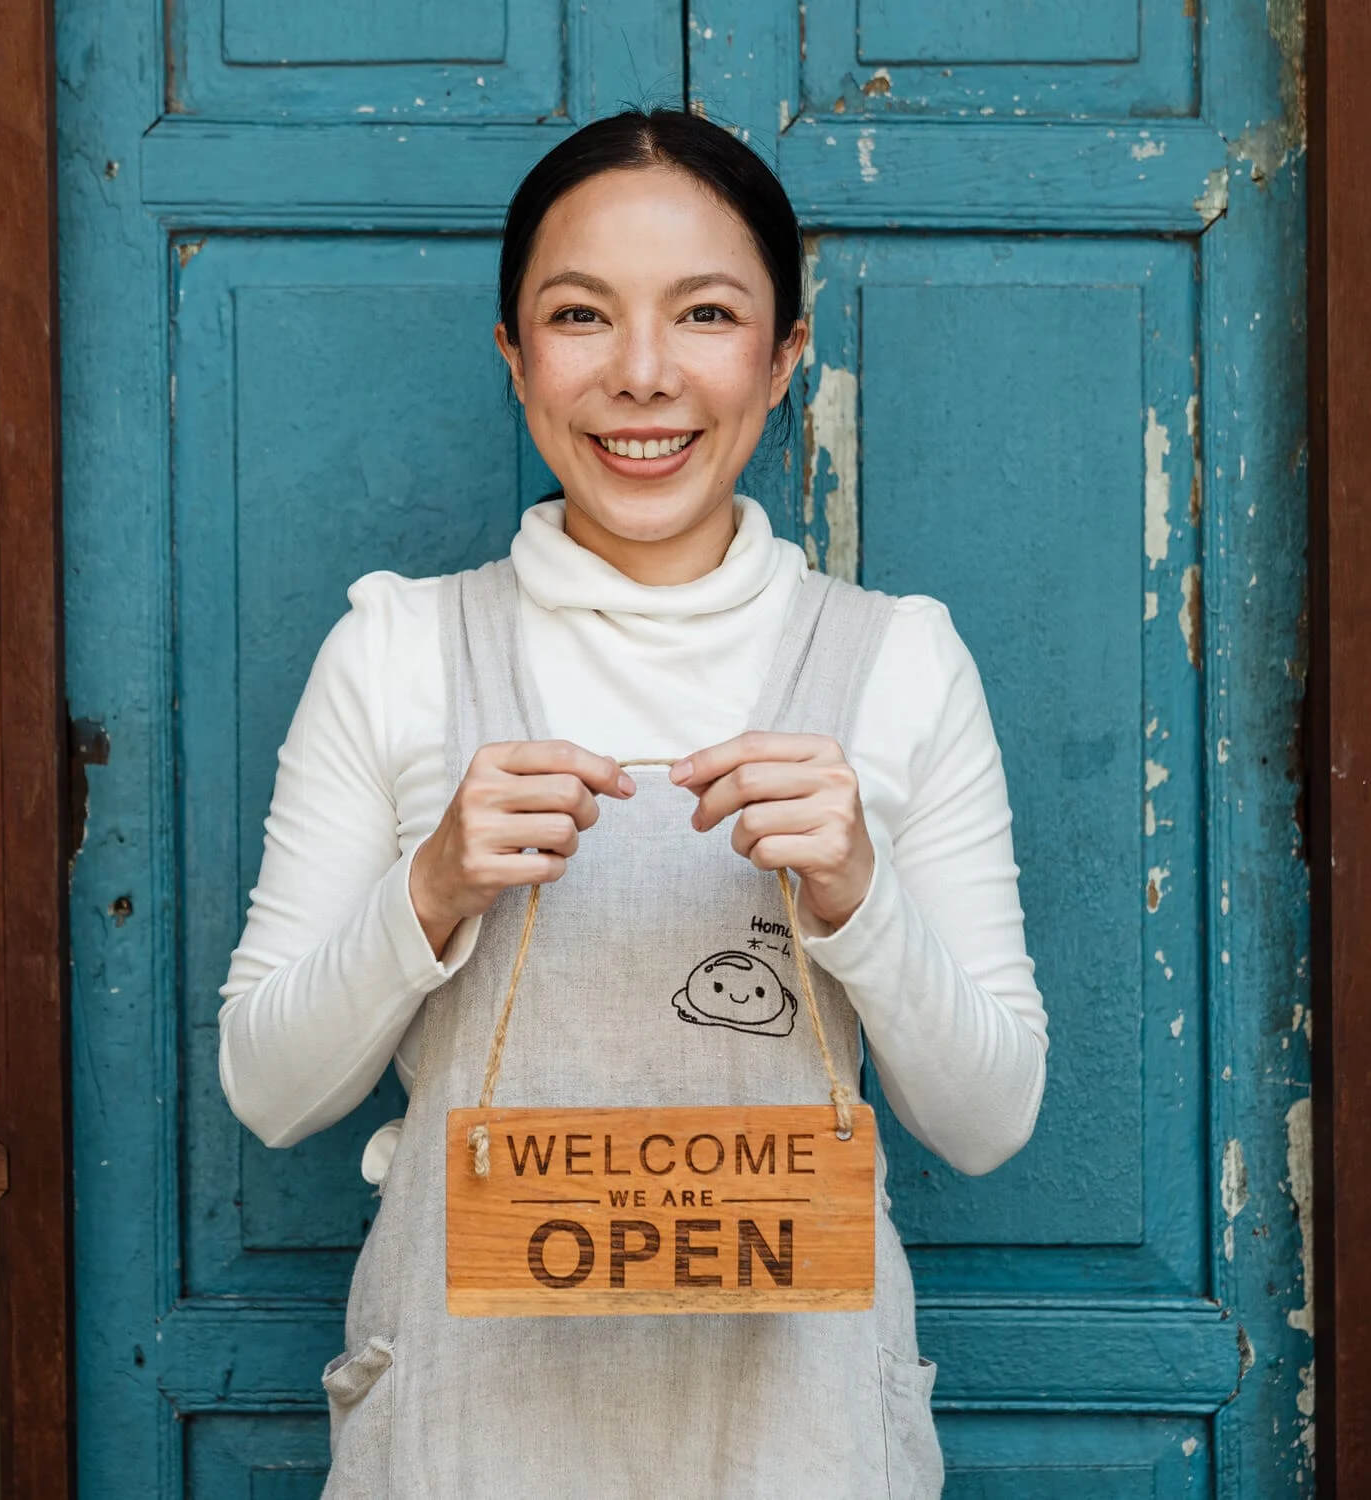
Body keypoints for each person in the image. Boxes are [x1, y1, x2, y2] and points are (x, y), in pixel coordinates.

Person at [217, 106, 1049, 1499]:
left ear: (784, 357)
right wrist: (429, 893)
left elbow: (989, 1118)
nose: (645, 375)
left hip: (801, 1438)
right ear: (515, 357)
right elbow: (269, 1089)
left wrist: (859, 897)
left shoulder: (898, 660)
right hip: (468, 1439)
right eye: (581, 316)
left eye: (709, 314)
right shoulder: (398, 651)